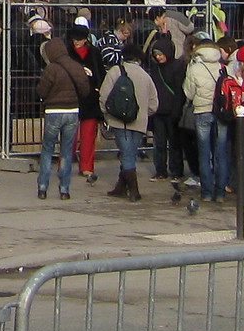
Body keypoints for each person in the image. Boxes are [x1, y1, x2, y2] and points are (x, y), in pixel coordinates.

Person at [98, 51, 157, 200]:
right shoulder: (146, 76)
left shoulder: (115, 71)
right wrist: (143, 114)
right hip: (139, 121)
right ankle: (121, 187)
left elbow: (104, 95)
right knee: (130, 153)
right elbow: (154, 104)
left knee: (126, 154)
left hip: (119, 120)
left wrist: (107, 113)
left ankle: (134, 191)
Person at [36, 36, 89, 200]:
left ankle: (43, 187)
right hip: (72, 111)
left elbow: (41, 91)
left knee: (47, 149)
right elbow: (85, 89)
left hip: (53, 111)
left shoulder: (51, 69)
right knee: (66, 151)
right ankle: (64, 189)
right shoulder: (76, 66)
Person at [182, 33, 226, 210]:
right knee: (221, 153)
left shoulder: (194, 69)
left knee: (204, 152)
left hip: (202, 112)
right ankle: (221, 192)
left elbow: (188, 93)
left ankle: (207, 192)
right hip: (221, 113)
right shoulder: (223, 67)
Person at [146, 37, 191, 188]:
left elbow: (179, 91)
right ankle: (160, 171)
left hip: (172, 111)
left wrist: (177, 110)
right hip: (158, 111)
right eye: (156, 54)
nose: (158, 57)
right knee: (159, 143)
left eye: (160, 54)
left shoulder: (178, 67)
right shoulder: (155, 68)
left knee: (174, 143)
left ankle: (176, 171)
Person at [66, 22, 103, 183]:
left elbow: (100, 72)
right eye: (74, 39)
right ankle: (66, 164)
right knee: (69, 135)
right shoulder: (67, 53)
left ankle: (87, 166)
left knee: (88, 135)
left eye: (79, 39)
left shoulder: (94, 53)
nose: (76, 42)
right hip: (72, 98)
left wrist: (98, 88)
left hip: (90, 99)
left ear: (85, 39)